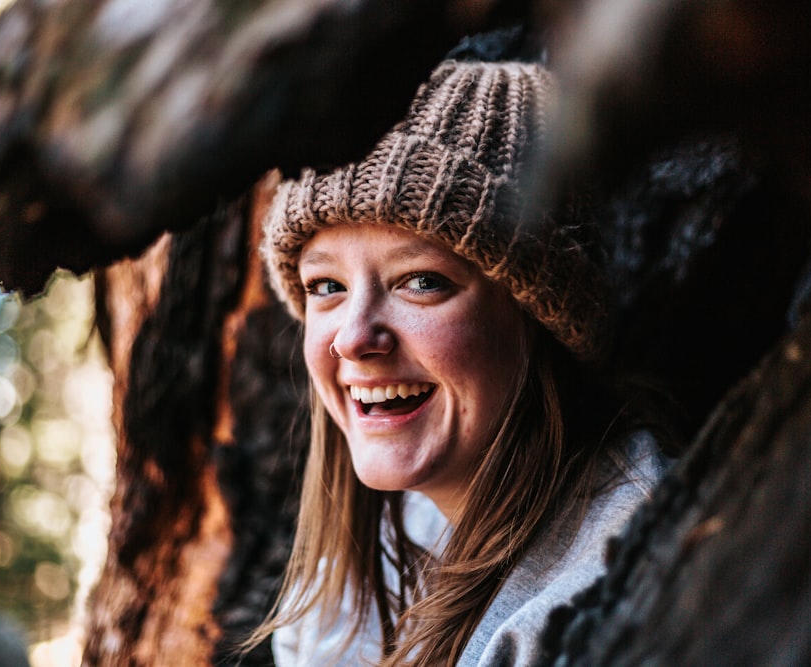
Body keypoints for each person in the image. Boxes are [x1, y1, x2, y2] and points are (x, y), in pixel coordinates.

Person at [249, 59, 670, 666]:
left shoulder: (622, 586)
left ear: (540, 313)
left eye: (421, 281)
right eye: (325, 286)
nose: (353, 339)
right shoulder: (349, 588)